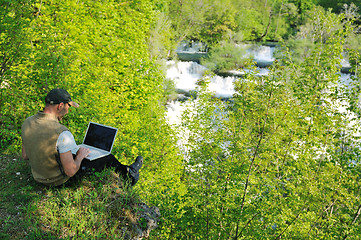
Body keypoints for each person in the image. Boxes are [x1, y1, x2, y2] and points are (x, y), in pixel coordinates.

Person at [21, 88, 143, 187]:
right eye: (68, 107)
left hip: (37, 177)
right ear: (60, 106)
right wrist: (79, 156)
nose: (68, 111)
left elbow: (25, 155)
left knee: (73, 152)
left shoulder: (27, 122)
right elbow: (70, 171)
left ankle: (129, 170)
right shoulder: (62, 133)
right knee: (107, 158)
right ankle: (130, 176)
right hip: (56, 180)